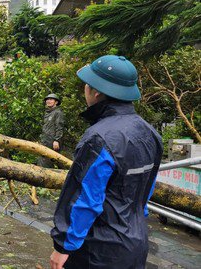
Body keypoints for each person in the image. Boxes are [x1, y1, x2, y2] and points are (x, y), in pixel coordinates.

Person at [49, 55, 162, 269]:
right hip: (136, 243)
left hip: (98, 251)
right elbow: (146, 189)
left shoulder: (99, 138)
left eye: (86, 84)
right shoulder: (150, 133)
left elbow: (84, 198)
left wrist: (63, 246)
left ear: (97, 91)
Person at [38, 93, 65, 167]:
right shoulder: (47, 113)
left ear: (56, 102)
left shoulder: (58, 113)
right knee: (42, 160)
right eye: (47, 99)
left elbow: (59, 127)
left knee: (48, 162)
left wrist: (57, 140)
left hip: (52, 142)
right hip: (45, 140)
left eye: (51, 99)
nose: (48, 101)